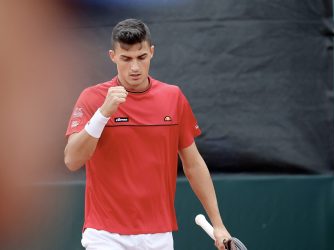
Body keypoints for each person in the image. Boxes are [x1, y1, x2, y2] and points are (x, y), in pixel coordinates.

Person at [64, 18, 231, 250]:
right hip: (104, 235)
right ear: (113, 56)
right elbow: (72, 160)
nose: (134, 67)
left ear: (151, 53)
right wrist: (103, 114)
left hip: (158, 236)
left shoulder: (173, 98)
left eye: (141, 57)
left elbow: (193, 165)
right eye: (126, 58)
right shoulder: (92, 98)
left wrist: (219, 225)